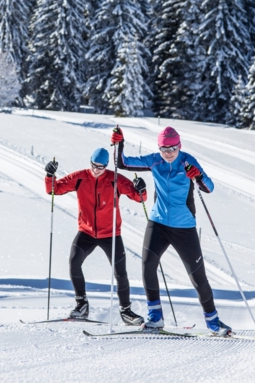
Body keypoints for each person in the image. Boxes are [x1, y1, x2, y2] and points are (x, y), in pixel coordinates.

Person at [111, 125, 232, 336]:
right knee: (148, 264)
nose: (168, 153)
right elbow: (122, 163)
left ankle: (213, 322)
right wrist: (118, 144)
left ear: (179, 146)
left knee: (197, 277)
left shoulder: (187, 161)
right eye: (164, 149)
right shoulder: (154, 161)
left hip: (184, 227)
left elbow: (209, 187)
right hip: (158, 223)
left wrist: (198, 177)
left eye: (172, 149)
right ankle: (155, 317)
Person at [44, 147, 146, 325]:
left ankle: (126, 311)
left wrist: (141, 189)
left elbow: (139, 198)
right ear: (90, 162)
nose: (97, 170)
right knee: (74, 262)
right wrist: (49, 175)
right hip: (87, 232)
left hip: (111, 234)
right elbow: (54, 190)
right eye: (94, 165)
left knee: (120, 273)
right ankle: (81, 305)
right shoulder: (80, 177)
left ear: (106, 166)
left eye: (101, 167)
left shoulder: (115, 180)